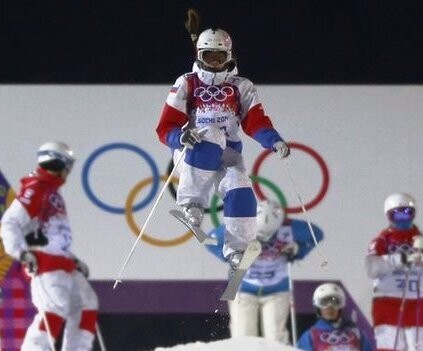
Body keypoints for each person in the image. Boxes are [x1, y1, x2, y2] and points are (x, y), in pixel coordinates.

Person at [156, 28, 290, 271]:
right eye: (209, 57)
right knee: (214, 134)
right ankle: (192, 203)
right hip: (194, 150)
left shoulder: (241, 85)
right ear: (199, 56)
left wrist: (273, 140)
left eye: (220, 56)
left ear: (229, 56)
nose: (215, 63)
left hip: (228, 154)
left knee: (241, 188)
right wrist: (179, 136)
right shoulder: (187, 82)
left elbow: (255, 120)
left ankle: (237, 250)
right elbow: (165, 126)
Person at [0, 142, 99, 350]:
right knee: (53, 310)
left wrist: (72, 259)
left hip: (62, 263)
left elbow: (52, 235)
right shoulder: (36, 188)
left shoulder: (51, 190)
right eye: (67, 165)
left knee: (86, 303)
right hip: (45, 264)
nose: (68, 171)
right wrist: (22, 253)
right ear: (57, 162)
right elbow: (10, 223)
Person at [207, 199, 323, 344]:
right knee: (243, 337)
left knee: (275, 338)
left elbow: (317, 234)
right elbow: (209, 240)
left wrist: (298, 249)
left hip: (277, 290)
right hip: (243, 289)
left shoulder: (289, 228)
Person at [365, 193, 423, 351]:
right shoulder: (382, 240)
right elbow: (372, 268)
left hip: (418, 302)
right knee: (390, 345)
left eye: (407, 213)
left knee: (420, 346)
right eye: (397, 215)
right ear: (389, 215)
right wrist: (401, 259)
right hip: (387, 301)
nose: (403, 219)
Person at [297, 282, 374, 351]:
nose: (330, 307)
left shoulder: (358, 335)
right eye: (324, 302)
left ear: (341, 306)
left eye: (335, 302)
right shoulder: (310, 337)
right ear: (318, 307)